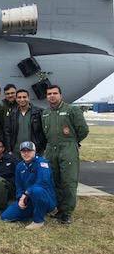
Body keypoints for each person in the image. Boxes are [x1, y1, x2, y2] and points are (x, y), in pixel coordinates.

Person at [42, 85, 89, 224]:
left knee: (68, 181)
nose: (52, 96)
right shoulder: (45, 113)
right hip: (51, 149)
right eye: (49, 93)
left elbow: (83, 130)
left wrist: (73, 142)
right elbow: (46, 133)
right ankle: (59, 209)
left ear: (60, 95)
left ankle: (67, 213)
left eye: (55, 93)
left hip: (67, 148)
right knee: (54, 180)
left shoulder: (71, 110)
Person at [1, 141, 57, 230]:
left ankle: (38, 220)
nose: (26, 153)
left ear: (35, 151)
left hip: (45, 198)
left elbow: (43, 182)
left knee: (36, 190)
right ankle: (35, 211)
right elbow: (19, 186)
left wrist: (26, 194)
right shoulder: (19, 166)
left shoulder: (42, 163)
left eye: (29, 151)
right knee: (6, 217)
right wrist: (20, 199)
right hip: (29, 199)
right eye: (23, 151)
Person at [4, 89, 46, 157]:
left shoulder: (39, 112)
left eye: (24, 97)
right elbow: (7, 132)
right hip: (17, 151)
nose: (22, 99)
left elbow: (43, 131)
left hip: (34, 150)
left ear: (28, 98)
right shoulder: (12, 114)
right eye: (19, 97)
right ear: (16, 99)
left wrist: (43, 147)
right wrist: (9, 149)